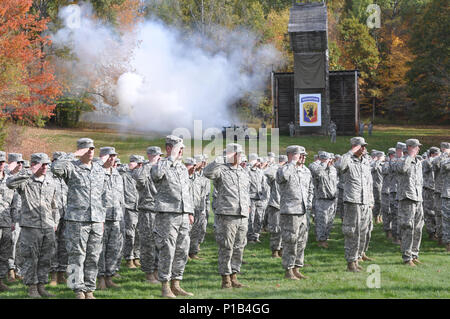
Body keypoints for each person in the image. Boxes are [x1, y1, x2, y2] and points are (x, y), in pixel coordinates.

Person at [51, 138, 106, 299]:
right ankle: (77, 290)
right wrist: (73, 155)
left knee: (93, 256)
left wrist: (101, 218)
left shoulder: (99, 169)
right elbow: (55, 168)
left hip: (96, 220)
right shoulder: (71, 168)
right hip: (77, 220)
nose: (90, 151)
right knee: (76, 255)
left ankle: (89, 289)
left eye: (92, 148)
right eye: (87, 149)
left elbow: (102, 196)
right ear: (80, 150)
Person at [6, 153, 58, 298]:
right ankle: (32, 288)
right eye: (42, 164)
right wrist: (29, 171)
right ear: (35, 164)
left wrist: (55, 222)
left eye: (47, 164)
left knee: (45, 258)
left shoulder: (50, 181)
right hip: (31, 227)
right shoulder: (26, 180)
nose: (45, 167)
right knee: (31, 258)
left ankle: (41, 286)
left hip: (47, 226)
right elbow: (9, 183)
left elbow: (54, 205)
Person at [151, 135, 194, 298]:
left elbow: (186, 191)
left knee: (182, 250)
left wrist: (189, 211)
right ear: (169, 148)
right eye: (178, 148)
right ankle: (165, 286)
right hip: (167, 214)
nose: (181, 151)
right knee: (167, 250)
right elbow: (155, 175)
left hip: (183, 214)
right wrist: (170, 158)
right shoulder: (161, 165)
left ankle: (176, 283)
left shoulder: (182, 168)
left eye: (182, 148)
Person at [204, 143, 250, 289]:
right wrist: (222, 158)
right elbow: (207, 173)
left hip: (242, 215)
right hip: (227, 214)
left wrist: (248, 206)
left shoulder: (243, 172)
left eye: (240, 153)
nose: (240, 156)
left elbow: (246, 191)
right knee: (226, 247)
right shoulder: (221, 170)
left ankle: (234, 275)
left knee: (239, 246)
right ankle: (225, 279)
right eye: (237, 153)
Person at [335, 137, 373, 272]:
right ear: (355, 147)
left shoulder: (365, 162)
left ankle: (356, 258)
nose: (364, 148)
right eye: (361, 146)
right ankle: (350, 262)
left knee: (362, 232)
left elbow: (369, 183)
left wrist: (371, 201)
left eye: (364, 146)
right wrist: (351, 152)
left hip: (365, 202)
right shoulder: (348, 160)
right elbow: (339, 166)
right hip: (353, 201)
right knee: (352, 232)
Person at [276, 145, 313, 280]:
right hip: (290, 211)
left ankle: (297, 267)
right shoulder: (284, 169)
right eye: (300, 155)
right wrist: (292, 162)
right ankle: (288, 270)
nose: (303, 158)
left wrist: (309, 203)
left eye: (304, 156)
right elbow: (282, 177)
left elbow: (310, 188)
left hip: (303, 211)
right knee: (290, 241)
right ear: (291, 155)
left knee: (302, 241)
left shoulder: (305, 171)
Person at [132, 146, 163, 284]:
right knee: (148, 244)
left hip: (160, 211)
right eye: (157, 155)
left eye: (160, 155)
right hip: (147, 211)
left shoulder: (160, 169)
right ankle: (149, 273)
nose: (159, 158)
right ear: (150, 155)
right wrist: (149, 164)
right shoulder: (142, 169)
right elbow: (138, 178)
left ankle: (156, 270)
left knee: (159, 244)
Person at [97, 147, 124, 289]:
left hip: (116, 217)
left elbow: (120, 197)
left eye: (114, 156)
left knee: (113, 249)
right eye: (109, 156)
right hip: (101, 217)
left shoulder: (117, 174)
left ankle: (109, 276)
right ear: (103, 156)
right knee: (100, 249)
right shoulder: (97, 172)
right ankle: (100, 278)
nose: (112, 158)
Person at [395, 139, 424, 266]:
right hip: (407, 198)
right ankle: (407, 257)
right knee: (408, 228)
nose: (418, 149)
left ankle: (414, 254)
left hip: (418, 198)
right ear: (410, 147)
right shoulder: (402, 160)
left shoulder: (418, 162)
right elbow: (402, 169)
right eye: (416, 147)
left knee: (418, 228)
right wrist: (410, 155)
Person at [48, 152, 68, 286]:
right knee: (53, 245)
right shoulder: (49, 176)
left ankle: (62, 273)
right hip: (53, 215)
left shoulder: (67, 176)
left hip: (67, 214)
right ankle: (53, 276)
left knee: (65, 245)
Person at [310, 152, 338, 248]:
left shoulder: (333, 169)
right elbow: (315, 170)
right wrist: (322, 163)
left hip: (333, 199)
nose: (330, 161)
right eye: (328, 159)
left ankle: (326, 237)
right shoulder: (317, 168)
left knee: (330, 221)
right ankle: (321, 241)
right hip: (322, 199)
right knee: (322, 221)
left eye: (330, 159)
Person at [122, 155, 142, 270]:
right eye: (138, 164)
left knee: (139, 234)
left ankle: (136, 256)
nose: (140, 166)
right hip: (129, 207)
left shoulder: (141, 175)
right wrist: (129, 168)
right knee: (130, 234)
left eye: (141, 164)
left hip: (140, 207)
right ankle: (129, 258)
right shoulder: (125, 175)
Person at [264, 155, 287, 258]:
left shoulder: (287, 173)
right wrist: (278, 165)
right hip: (276, 204)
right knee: (276, 229)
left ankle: (282, 249)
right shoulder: (274, 173)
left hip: (286, 205)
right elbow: (267, 172)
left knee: (284, 229)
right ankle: (275, 250)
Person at [6, 153, 24, 282]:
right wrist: (12, 219)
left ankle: (18, 270)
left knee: (20, 246)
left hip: (24, 218)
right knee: (11, 245)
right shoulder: (7, 179)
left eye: (21, 162)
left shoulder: (23, 178)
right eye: (18, 162)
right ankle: (10, 271)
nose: (20, 165)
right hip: (11, 218)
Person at [188, 155, 210, 260]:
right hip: (189, 207)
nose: (204, 163)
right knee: (188, 231)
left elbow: (205, 194)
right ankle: (185, 253)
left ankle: (193, 252)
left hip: (199, 207)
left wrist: (205, 208)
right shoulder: (189, 175)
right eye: (202, 161)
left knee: (197, 231)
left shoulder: (202, 176)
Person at [0, 151, 15, 292]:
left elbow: (14, 202)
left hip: (5, 221)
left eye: (2, 162)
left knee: (5, 252)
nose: (0, 164)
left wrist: (14, 220)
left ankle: (0, 280)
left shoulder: (10, 180)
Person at [422, 147, 440, 240]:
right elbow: (431, 165)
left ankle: (437, 231)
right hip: (428, 189)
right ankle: (431, 232)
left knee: (437, 211)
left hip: (436, 189)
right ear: (432, 154)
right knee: (429, 212)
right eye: (437, 154)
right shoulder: (427, 162)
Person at [247, 153, 265, 244]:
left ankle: (256, 235)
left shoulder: (260, 171)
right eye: (256, 160)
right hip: (251, 197)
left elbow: (263, 184)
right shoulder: (247, 171)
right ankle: (250, 237)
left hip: (260, 197)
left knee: (259, 217)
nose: (259, 162)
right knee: (251, 217)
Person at [381, 148, 395, 239]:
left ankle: (394, 231)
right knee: (387, 212)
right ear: (390, 155)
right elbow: (385, 170)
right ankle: (388, 230)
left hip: (394, 191)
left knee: (394, 212)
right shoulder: (386, 164)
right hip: (387, 191)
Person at [439, 145, 450, 252]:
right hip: (447, 195)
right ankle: (448, 243)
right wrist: (446, 154)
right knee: (447, 220)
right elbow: (443, 166)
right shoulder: (446, 162)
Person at [371, 151, 385, 224]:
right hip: (376, 186)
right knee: (378, 202)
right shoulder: (374, 163)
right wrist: (378, 160)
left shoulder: (383, 164)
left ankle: (380, 216)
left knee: (382, 202)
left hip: (384, 186)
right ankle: (376, 216)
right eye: (382, 156)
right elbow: (373, 169)